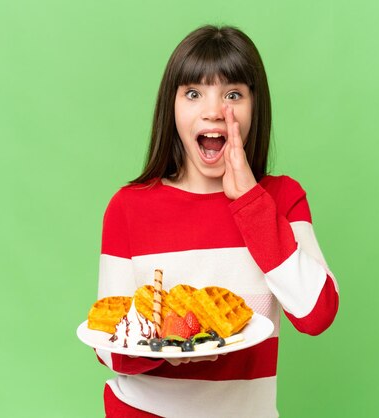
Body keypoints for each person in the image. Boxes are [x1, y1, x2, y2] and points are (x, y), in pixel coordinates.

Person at [94, 24, 339, 417]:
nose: (213, 111)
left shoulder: (280, 199)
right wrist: (168, 348)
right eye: (193, 93)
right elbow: (108, 347)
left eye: (233, 94)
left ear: (254, 107)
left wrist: (249, 202)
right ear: (170, 107)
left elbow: (317, 313)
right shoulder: (128, 208)